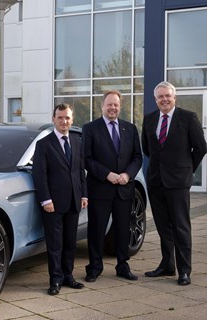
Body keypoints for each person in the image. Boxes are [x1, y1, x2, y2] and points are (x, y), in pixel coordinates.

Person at [141, 81, 207, 286]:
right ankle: (167, 265)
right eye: (160, 97)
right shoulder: (149, 119)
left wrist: (186, 170)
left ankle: (184, 270)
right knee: (162, 226)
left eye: (167, 96)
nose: (164, 99)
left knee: (181, 227)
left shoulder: (188, 117)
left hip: (178, 183)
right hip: (156, 181)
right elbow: (147, 149)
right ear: (156, 99)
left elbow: (201, 148)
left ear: (174, 97)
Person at [82, 90, 142, 282]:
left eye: (116, 105)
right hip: (100, 188)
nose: (112, 108)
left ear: (120, 106)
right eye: (109, 104)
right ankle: (94, 267)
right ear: (102, 106)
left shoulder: (130, 129)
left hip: (124, 189)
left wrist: (127, 174)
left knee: (123, 229)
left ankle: (123, 266)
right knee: (97, 230)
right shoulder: (90, 128)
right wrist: (107, 174)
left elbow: (137, 157)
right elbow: (87, 159)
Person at [32, 103, 88, 296]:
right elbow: (40, 174)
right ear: (54, 119)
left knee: (70, 243)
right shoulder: (44, 144)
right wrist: (45, 200)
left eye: (68, 118)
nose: (64, 121)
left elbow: (80, 171)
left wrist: (84, 194)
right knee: (55, 244)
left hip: (74, 201)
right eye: (60, 118)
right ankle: (55, 280)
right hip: (53, 204)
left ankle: (68, 276)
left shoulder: (77, 141)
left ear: (72, 120)